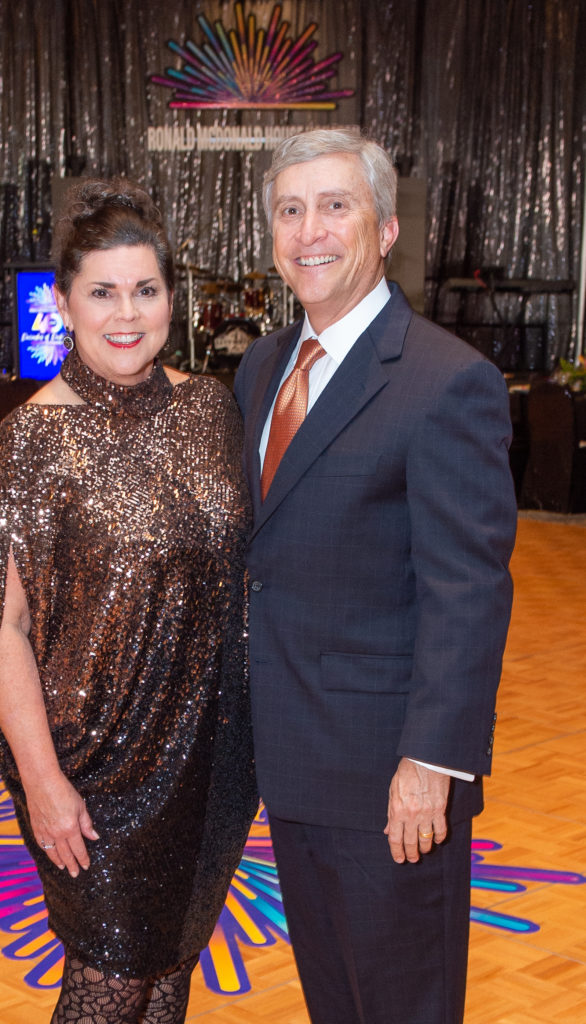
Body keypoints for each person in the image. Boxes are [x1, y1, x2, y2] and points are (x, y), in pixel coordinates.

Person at [233, 128, 517, 1024]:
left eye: (334, 205)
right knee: (336, 1003)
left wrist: (430, 764)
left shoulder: (446, 382)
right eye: (289, 209)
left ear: (386, 229)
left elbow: (467, 594)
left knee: (403, 1006)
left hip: (390, 782)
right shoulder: (260, 368)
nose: (308, 230)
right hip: (289, 760)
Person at [0, 178, 258, 1024]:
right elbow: (0, 630)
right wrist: (47, 782)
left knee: (168, 977)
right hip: (92, 771)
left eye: (145, 289)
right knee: (110, 985)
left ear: (173, 295)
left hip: (211, 763)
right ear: (64, 303)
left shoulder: (211, 408)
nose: (125, 313)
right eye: (101, 292)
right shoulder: (31, 438)